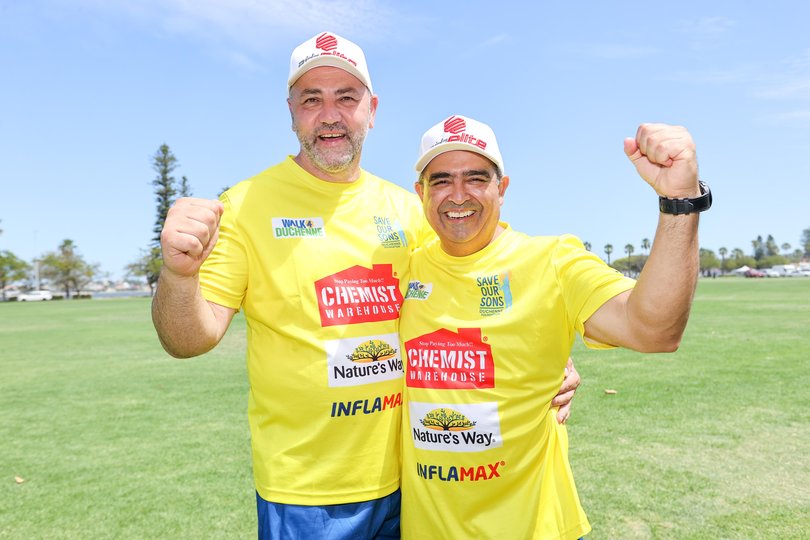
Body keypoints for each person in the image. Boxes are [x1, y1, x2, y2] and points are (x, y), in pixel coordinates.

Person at [151, 32, 579, 538]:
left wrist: (550, 362)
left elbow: (473, 288)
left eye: (346, 97)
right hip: (308, 493)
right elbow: (188, 339)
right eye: (312, 99)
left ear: (371, 110)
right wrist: (180, 275)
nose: (329, 114)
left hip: (416, 482)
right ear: (291, 111)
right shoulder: (245, 207)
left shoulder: (409, 209)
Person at [399, 115, 709, 539]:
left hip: (535, 528)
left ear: (501, 189)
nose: (458, 195)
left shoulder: (553, 261)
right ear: (421, 192)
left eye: (475, 178)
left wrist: (680, 201)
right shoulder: (405, 268)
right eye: (440, 180)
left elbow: (654, 329)